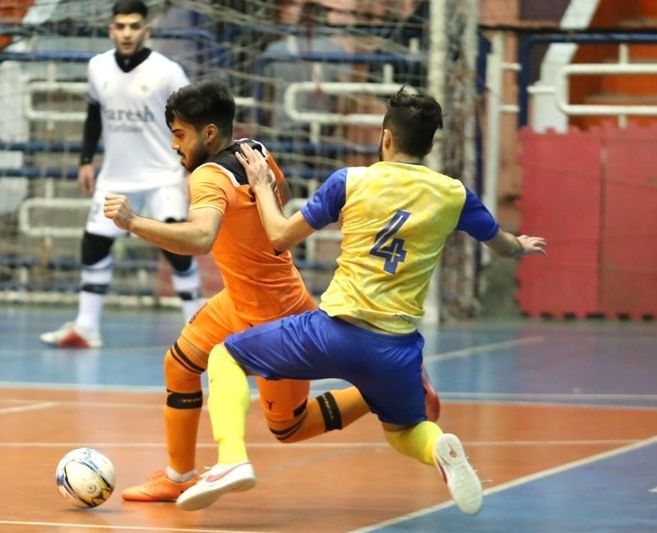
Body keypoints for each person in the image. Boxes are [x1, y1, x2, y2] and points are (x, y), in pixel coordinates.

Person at [175, 88, 548, 514]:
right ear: (429, 146)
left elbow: (279, 236)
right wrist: (519, 246)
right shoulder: (454, 194)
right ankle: (438, 449)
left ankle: (230, 460)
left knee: (225, 356)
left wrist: (261, 186)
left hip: (333, 334)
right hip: (397, 349)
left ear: (385, 137)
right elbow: (500, 244)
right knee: (404, 432)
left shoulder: (350, 181)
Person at [103, 79, 441, 502]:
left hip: (273, 311)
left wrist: (133, 222)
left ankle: (380, 390)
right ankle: (178, 475)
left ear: (209, 133)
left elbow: (201, 238)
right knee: (180, 365)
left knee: (289, 427)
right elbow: (278, 196)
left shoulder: (207, 177)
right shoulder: (255, 151)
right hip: (239, 298)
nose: (174, 145)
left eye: (180, 134)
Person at [40, 0, 203, 349]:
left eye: (134, 26)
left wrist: (192, 168)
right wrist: (86, 160)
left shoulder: (168, 72)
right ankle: (87, 326)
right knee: (94, 245)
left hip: (163, 176)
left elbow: (193, 122)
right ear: (111, 30)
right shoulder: (97, 67)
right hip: (115, 179)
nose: (127, 33)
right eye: (121, 26)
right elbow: (94, 114)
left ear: (146, 29)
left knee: (177, 248)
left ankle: (200, 328)